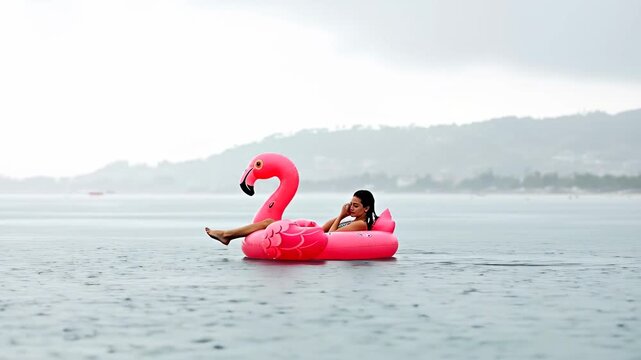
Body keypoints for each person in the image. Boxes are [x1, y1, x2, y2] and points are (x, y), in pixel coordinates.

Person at [205, 189, 378, 246]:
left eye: (356, 206)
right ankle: (227, 235)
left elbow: (331, 237)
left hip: (314, 241)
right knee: (268, 223)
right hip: (313, 233)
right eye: (351, 204)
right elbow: (324, 228)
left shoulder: (360, 225)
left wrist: (341, 216)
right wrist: (342, 215)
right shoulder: (352, 220)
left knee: (268, 223)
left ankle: (227, 235)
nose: (351, 208)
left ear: (367, 208)